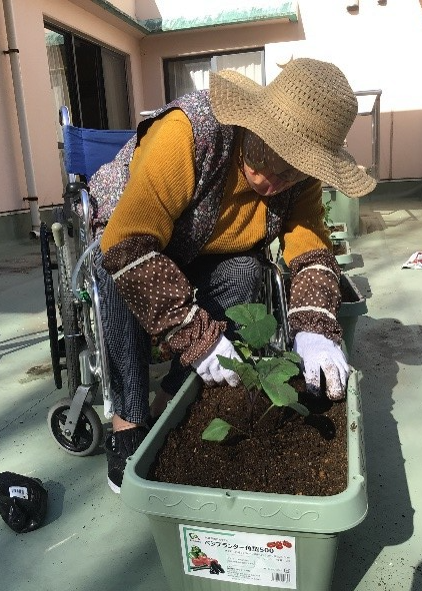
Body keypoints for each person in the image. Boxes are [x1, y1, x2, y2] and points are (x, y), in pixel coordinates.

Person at [89, 58, 376, 493]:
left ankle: (174, 395)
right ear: (253, 123)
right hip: (134, 239)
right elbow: (126, 243)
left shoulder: (300, 179)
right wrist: (196, 336)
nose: (274, 180)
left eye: (293, 170)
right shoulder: (190, 134)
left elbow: (311, 248)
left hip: (203, 248)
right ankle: (128, 418)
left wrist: (315, 326)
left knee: (245, 270)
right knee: (111, 273)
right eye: (270, 157)